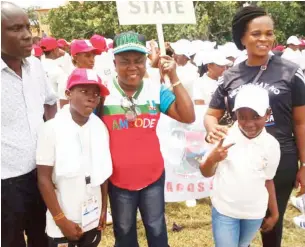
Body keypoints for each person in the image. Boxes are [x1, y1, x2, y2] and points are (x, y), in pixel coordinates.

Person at [204, 6, 305, 247]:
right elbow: (210, 115)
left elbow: (301, 122)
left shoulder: (291, 72)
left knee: (271, 222)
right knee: (238, 218)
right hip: (238, 160)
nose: (264, 39)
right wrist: (211, 128)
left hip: (280, 159)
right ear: (242, 37)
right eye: (256, 33)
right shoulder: (230, 76)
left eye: (269, 33)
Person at [99, 31, 195, 247]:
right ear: (114, 62)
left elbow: (188, 116)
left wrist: (174, 77)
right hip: (117, 179)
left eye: (139, 61)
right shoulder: (103, 94)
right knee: (124, 232)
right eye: (125, 61)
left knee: (156, 228)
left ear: (146, 62)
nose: (132, 66)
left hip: (152, 176)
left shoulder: (155, 90)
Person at [1, 2, 57, 246]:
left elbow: (51, 103)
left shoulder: (35, 66)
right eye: (15, 29)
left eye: (27, 27)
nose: (27, 35)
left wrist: (53, 142)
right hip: (5, 183)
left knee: (43, 238)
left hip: (40, 175)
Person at [36, 68, 112, 247]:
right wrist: (61, 221)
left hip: (92, 217)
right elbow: (44, 179)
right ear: (68, 93)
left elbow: (103, 171)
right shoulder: (51, 129)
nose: (91, 97)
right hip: (64, 219)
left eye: (96, 94)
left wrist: (103, 209)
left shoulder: (100, 127)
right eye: (84, 91)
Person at [200, 85, 280, 247]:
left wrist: (275, 213)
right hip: (225, 211)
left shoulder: (271, 145)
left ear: (268, 114)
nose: (249, 123)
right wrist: (212, 159)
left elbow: (268, 180)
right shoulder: (223, 136)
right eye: (242, 117)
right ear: (235, 114)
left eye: (256, 116)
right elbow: (205, 172)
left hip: (254, 213)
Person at [58, 39, 102, 108]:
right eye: (87, 56)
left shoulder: (94, 75)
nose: (92, 60)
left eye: (93, 56)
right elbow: (64, 107)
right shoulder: (66, 78)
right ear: (75, 57)